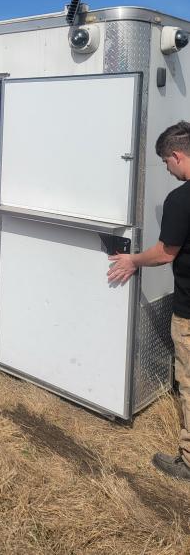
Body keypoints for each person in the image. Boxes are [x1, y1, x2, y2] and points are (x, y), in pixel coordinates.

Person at [108, 120, 190, 481]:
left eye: (166, 162)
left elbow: (164, 253)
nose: (168, 170)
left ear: (177, 156)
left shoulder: (181, 199)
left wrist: (132, 260)